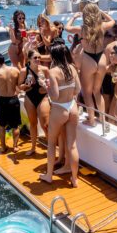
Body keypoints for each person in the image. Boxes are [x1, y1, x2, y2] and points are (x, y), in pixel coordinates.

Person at [65, 5, 115, 127]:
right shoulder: (102, 26)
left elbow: (67, 28)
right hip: (101, 59)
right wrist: (103, 12)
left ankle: (91, 120)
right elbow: (112, 21)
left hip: (88, 59)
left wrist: (73, 17)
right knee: (97, 92)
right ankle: (102, 120)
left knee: (87, 93)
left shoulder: (82, 29)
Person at [39, 43, 81, 187]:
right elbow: (77, 90)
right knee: (72, 145)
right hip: (72, 107)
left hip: (59, 109)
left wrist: (46, 87)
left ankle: (49, 175)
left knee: (51, 143)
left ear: (54, 55)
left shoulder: (53, 71)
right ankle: (75, 179)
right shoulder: (72, 68)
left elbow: (55, 96)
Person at [19, 50, 50, 156]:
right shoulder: (24, 71)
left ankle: (51, 147)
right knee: (33, 124)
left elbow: (51, 84)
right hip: (30, 97)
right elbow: (19, 87)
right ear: (29, 59)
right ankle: (33, 147)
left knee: (45, 125)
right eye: (35, 58)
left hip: (43, 97)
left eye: (39, 57)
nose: (37, 59)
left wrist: (45, 84)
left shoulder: (45, 69)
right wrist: (27, 84)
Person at [0, 53, 21, 152]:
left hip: (2, 100)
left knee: (2, 125)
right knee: (15, 125)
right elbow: (19, 85)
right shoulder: (15, 70)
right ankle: (15, 146)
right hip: (13, 99)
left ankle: (3, 147)